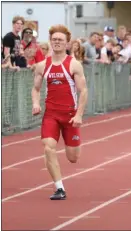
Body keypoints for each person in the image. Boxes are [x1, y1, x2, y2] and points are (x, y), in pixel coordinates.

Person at [31, 24, 88, 200]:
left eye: (60, 40)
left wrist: (79, 114)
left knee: (73, 157)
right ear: (50, 41)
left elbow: (83, 91)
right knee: (48, 147)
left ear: (67, 43)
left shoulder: (74, 64)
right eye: (54, 39)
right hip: (51, 115)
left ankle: (71, 145)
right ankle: (59, 188)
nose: (56, 42)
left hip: (70, 116)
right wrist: (35, 103)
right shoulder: (42, 66)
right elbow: (35, 88)